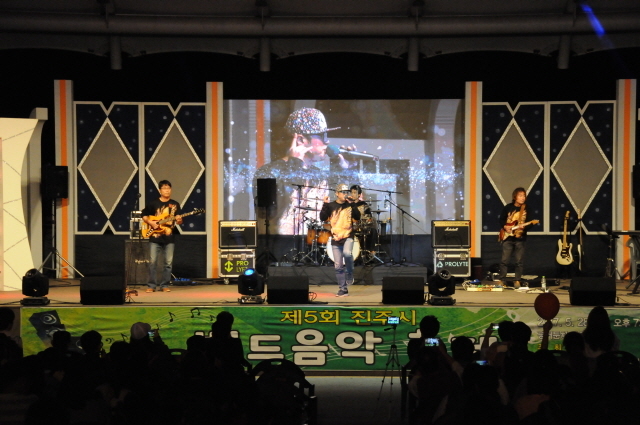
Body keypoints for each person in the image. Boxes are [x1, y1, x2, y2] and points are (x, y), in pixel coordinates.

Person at [253, 107, 359, 236]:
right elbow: (266, 213)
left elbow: (347, 208)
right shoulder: (267, 173)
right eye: (323, 136)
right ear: (301, 140)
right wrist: (295, 165)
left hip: (314, 245)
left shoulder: (319, 176)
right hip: (281, 246)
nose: (327, 141)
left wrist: (346, 169)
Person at [319, 183, 361, 296]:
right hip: (336, 237)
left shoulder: (349, 205)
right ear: (337, 193)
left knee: (347, 253)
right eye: (343, 192)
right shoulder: (331, 205)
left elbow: (357, 217)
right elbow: (322, 218)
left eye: (347, 192)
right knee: (338, 266)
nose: (345, 194)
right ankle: (343, 289)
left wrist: (353, 204)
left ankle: (350, 273)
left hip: (348, 235)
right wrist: (325, 204)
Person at [141, 180, 183, 292]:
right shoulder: (153, 203)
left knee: (168, 263)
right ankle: (151, 286)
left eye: (168, 188)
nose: (167, 190)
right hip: (154, 237)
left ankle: (165, 285)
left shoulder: (175, 204)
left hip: (169, 238)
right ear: (160, 190)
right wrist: (151, 223)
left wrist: (179, 220)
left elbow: (179, 222)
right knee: (152, 262)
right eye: (164, 188)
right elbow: (144, 215)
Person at [497, 187, 529, 289]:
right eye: (520, 196)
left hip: (520, 238)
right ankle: (501, 279)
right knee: (504, 260)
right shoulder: (508, 207)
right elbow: (501, 219)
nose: (523, 198)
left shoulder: (527, 208)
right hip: (508, 237)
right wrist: (505, 226)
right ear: (515, 197)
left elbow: (531, 222)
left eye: (524, 196)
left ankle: (517, 280)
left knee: (519, 261)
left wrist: (525, 227)